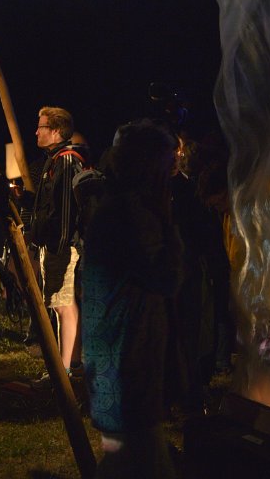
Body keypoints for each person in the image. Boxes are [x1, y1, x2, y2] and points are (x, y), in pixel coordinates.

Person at [82, 119, 184, 479]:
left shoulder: (112, 207)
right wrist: (168, 224)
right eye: (167, 167)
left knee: (127, 456)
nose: (170, 178)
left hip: (112, 355)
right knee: (138, 458)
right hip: (128, 359)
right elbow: (167, 277)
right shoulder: (134, 216)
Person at [30, 106, 88, 377]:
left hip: (61, 247)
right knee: (62, 304)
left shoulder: (65, 161)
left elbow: (65, 211)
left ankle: (64, 368)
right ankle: (71, 364)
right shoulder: (55, 160)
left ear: (55, 132)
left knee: (63, 305)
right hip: (56, 245)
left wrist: (59, 245)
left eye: (41, 127)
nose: (36, 132)